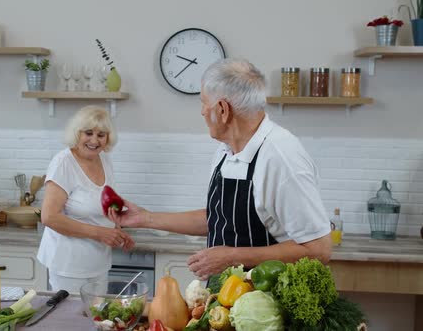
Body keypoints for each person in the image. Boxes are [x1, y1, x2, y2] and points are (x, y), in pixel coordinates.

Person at [109, 58, 331, 280]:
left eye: (204, 103)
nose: (203, 112)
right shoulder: (226, 149)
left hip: (269, 303)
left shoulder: (281, 158)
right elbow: (220, 218)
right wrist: (146, 218)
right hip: (227, 299)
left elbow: (318, 250)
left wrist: (233, 257)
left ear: (223, 109)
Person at [37, 105, 134, 293]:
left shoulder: (104, 159)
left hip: (98, 261)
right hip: (68, 265)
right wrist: (100, 233)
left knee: (97, 320)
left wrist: (118, 230)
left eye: (101, 135)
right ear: (77, 134)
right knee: (71, 320)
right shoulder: (63, 163)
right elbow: (49, 217)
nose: (94, 140)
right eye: (88, 133)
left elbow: (105, 204)